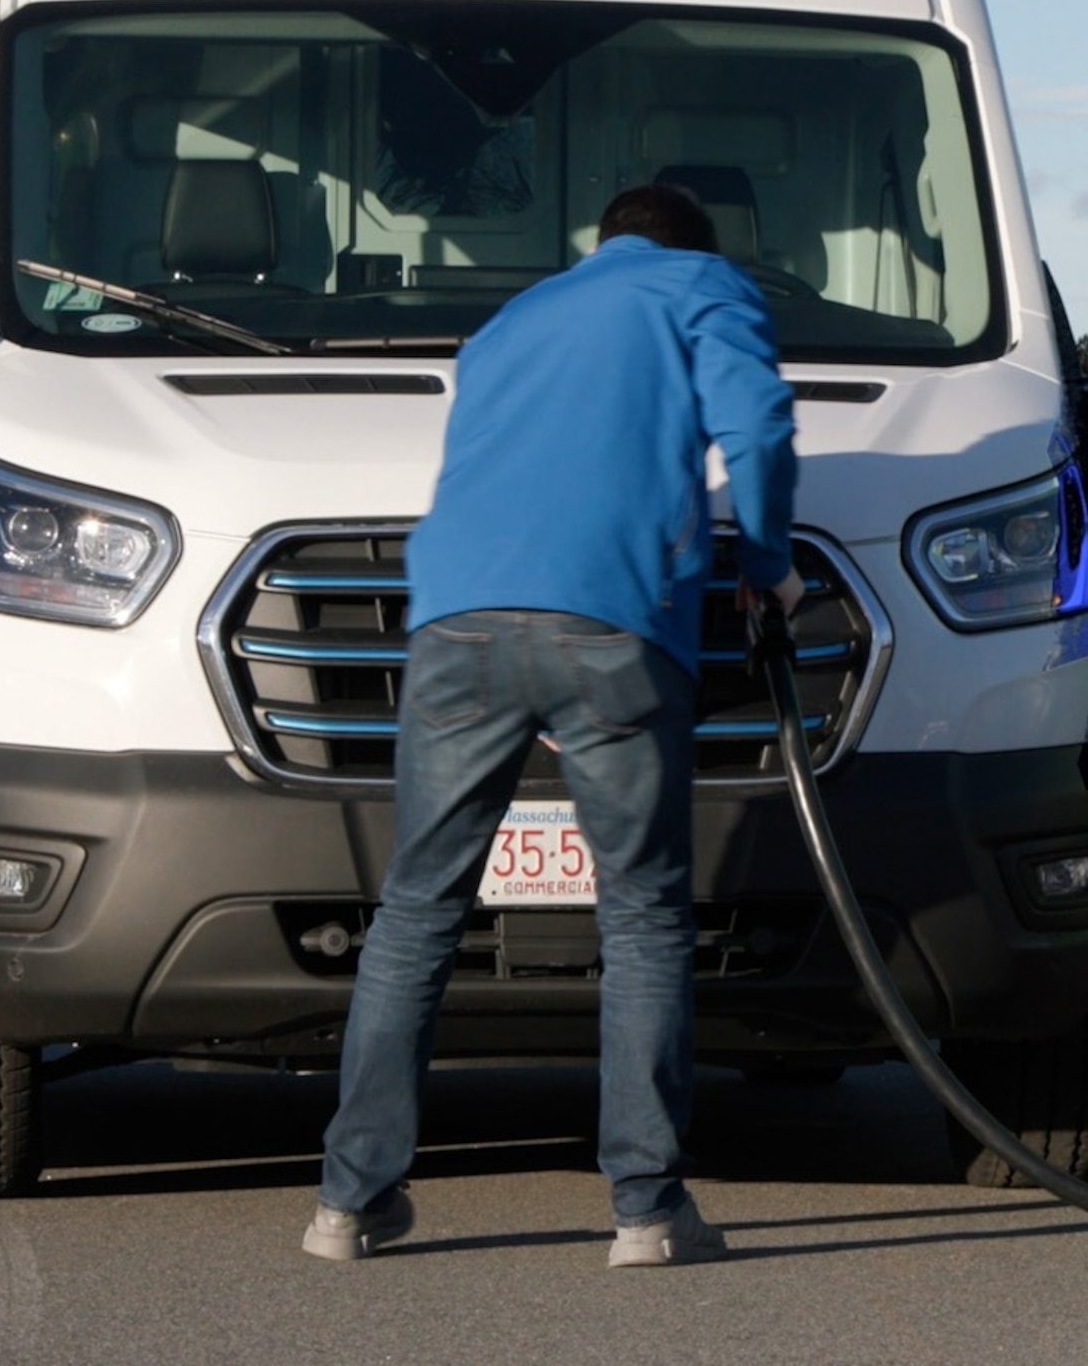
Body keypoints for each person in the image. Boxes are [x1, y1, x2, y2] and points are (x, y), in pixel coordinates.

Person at [304, 182, 800, 1267]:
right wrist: (767, 567)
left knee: (418, 911)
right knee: (642, 918)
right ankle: (646, 1212)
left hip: (454, 628)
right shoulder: (700, 284)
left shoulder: (510, 320)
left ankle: (348, 1205)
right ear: (690, 247)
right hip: (611, 623)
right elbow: (756, 423)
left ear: (601, 242)